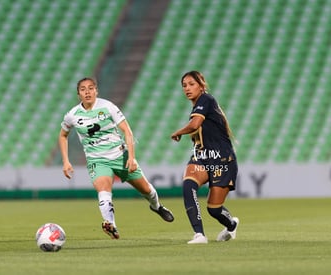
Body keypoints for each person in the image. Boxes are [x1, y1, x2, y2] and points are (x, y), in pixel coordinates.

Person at [59, 77, 174, 239]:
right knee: (104, 190)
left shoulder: (107, 107)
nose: (87, 92)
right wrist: (66, 160)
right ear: (78, 94)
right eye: (83, 89)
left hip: (120, 155)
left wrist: (132, 158)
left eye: (91, 88)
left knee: (147, 190)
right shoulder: (72, 115)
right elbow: (63, 135)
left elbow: (127, 131)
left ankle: (157, 207)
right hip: (97, 160)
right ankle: (110, 224)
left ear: (96, 91)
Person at [171, 70, 239, 244]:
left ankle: (231, 225)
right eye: (184, 85)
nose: (187, 88)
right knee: (188, 185)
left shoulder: (206, 100)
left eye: (191, 84)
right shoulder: (198, 106)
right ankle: (199, 235)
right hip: (202, 157)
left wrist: (179, 132)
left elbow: (195, 124)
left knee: (214, 209)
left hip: (222, 159)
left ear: (202, 86)